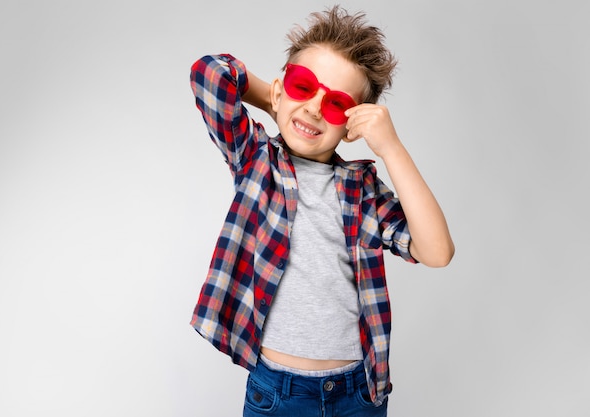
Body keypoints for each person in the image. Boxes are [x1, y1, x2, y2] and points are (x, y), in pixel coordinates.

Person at [189, 5, 454, 416]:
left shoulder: (362, 191)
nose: (314, 108)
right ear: (282, 89)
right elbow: (210, 73)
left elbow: (437, 252)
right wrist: (277, 100)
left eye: (334, 105)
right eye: (302, 86)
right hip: (278, 392)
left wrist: (391, 147)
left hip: (358, 393)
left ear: (352, 125)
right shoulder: (256, 158)